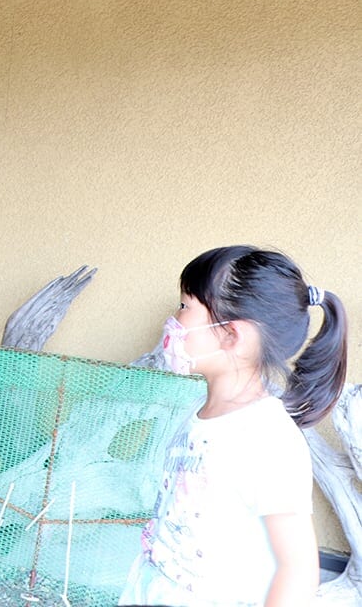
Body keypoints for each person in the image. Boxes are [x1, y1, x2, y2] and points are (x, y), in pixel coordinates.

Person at [119, 246, 349, 607]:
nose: (174, 320)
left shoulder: (266, 436)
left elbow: (298, 568)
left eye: (184, 307)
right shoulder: (197, 412)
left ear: (230, 335)